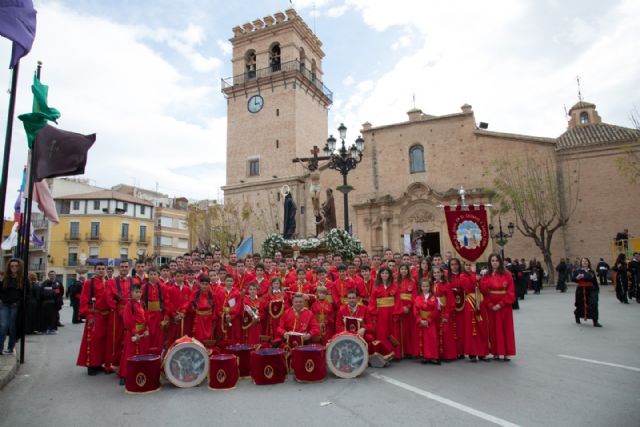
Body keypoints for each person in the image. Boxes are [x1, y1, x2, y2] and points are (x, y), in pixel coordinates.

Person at [76, 263, 110, 375]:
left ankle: (99, 363)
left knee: (104, 342)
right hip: (95, 315)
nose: (101, 271)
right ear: (94, 270)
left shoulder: (108, 282)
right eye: (99, 269)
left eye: (103, 268)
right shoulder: (88, 283)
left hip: (107, 316)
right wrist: (88, 315)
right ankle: (91, 365)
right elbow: (84, 300)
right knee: (93, 342)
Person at [481, 253, 516, 361]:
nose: (494, 262)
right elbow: (484, 292)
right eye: (492, 260)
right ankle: (495, 352)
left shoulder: (507, 274)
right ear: (490, 262)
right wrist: (490, 305)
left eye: (496, 260)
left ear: (500, 262)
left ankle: (506, 353)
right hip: (491, 308)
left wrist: (501, 304)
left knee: (506, 329)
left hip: (504, 307)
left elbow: (511, 292)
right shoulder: (486, 275)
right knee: (493, 329)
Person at [104, 260, 133, 374]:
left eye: (126, 266)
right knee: (114, 338)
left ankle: (126, 363)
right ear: (118, 268)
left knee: (129, 338)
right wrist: (117, 308)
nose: (124, 268)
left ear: (129, 268)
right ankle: (111, 363)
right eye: (122, 267)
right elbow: (108, 297)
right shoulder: (112, 282)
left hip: (130, 312)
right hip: (117, 313)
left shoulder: (133, 280)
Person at [118, 283, 149, 386]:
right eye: (136, 292)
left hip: (142, 333)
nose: (138, 294)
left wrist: (147, 329)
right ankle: (124, 375)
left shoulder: (143, 304)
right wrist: (134, 333)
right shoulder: (129, 304)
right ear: (131, 293)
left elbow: (146, 317)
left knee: (141, 353)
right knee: (129, 354)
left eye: (140, 292)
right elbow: (127, 320)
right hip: (133, 333)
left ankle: (139, 374)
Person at [368, 266, 402, 359]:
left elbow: (398, 300)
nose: (385, 275)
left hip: (391, 312)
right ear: (380, 275)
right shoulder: (376, 286)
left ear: (390, 274)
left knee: (393, 333)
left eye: (386, 273)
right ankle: (384, 353)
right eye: (383, 273)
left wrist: (396, 313)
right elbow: (372, 300)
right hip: (381, 313)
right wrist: (374, 312)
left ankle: (395, 354)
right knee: (382, 333)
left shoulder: (394, 285)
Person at [461, 262, 489, 362]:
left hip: (480, 302)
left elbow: (484, 289)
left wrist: (482, 278)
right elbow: (469, 287)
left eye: (472, 265)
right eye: (467, 265)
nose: (470, 267)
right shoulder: (463, 276)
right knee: (472, 327)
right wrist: (473, 275)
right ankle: (472, 353)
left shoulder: (478, 275)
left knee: (482, 326)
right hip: (470, 302)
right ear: (464, 266)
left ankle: (483, 352)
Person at [141, 267, 170, 353]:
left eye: (155, 274)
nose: (153, 276)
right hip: (147, 314)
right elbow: (140, 301)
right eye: (151, 274)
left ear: (158, 275)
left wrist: (166, 315)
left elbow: (166, 302)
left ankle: (158, 355)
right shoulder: (143, 287)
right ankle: (147, 354)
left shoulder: (163, 287)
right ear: (148, 275)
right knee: (148, 334)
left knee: (159, 336)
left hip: (159, 314)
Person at [413, 277, 441, 365]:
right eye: (423, 286)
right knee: (422, 338)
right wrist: (420, 320)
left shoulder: (434, 298)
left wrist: (429, 320)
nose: (425, 288)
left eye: (427, 286)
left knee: (432, 338)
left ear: (430, 287)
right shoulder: (418, 297)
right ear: (421, 287)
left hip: (430, 321)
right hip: (421, 321)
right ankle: (425, 356)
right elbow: (415, 310)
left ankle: (433, 357)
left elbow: (435, 310)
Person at [431, 266, 456, 361]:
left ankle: (448, 355)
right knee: (436, 332)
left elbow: (450, 300)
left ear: (441, 273)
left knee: (446, 332)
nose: (436, 274)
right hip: (436, 311)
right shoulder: (432, 285)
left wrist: (447, 314)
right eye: (434, 273)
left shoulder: (447, 284)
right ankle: (438, 354)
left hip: (444, 310)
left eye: (438, 272)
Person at [0, 258, 24, 355]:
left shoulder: (22, 279)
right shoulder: (5, 278)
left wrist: (18, 302)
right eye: (12, 266)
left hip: (15, 305)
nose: (14, 267)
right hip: (4, 304)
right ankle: (0, 348)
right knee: (3, 325)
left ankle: (10, 348)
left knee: (12, 326)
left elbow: (26, 294)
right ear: (9, 267)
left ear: (19, 267)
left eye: (16, 266)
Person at [572, 258, 601, 327]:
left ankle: (595, 321)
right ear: (581, 263)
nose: (585, 262)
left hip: (591, 289)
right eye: (583, 261)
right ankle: (577, 316)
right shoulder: (578, 271)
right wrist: (577, 278)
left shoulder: (591, 271)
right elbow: (573, 279)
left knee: (593, 304)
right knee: (580, 304)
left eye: (586, 261)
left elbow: (594, 281)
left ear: (588, 262)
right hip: (581, 290)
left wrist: (597, 289)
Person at [396, 263, 416, 358]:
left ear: (408, 271)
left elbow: (414, 295)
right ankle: (402, 351)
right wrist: (401, 307)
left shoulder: (412, 281)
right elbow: (395, 296)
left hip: (409, 309)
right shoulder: (396, 281)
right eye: (402, 269)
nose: (403, 271)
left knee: (410, 329)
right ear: (399, 270)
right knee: (401, 330)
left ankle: (410, 351)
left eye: (405, 269)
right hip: (400, 308)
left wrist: (408, 306)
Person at [191, 275, 217, 347]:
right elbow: (191, 304)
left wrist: (213, 318)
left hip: (209, 320)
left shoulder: (212, 295)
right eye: (202, 284)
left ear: (209, 284)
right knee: (199, 337)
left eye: (206, 284)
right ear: (200, 284)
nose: (204, 286)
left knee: (209, 338)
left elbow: (215, 308)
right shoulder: (195, 294)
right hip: (199, 319)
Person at [40, 270, 62, 334]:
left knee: (54, 317)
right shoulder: (45, 283)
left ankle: (52, 328)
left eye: (53, 274)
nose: (52, 275)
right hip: (46, 302)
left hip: (55, 303)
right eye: (51, 274)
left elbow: (60, 292)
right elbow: (42, 293)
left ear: (55, 275)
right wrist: (53, 292)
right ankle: (45, 329)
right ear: (48, 275)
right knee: (45, 317)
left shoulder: (58, 283)